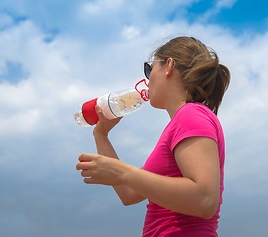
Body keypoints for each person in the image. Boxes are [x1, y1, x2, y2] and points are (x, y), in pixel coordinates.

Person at [76, 36, 231, 236]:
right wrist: (101, 134)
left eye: (149, 70)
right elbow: (129, 194)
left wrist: (123, 172)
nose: (148, 80)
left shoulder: (191, 115)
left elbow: (205, 200)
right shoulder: (180, 122)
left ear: (169, 66)